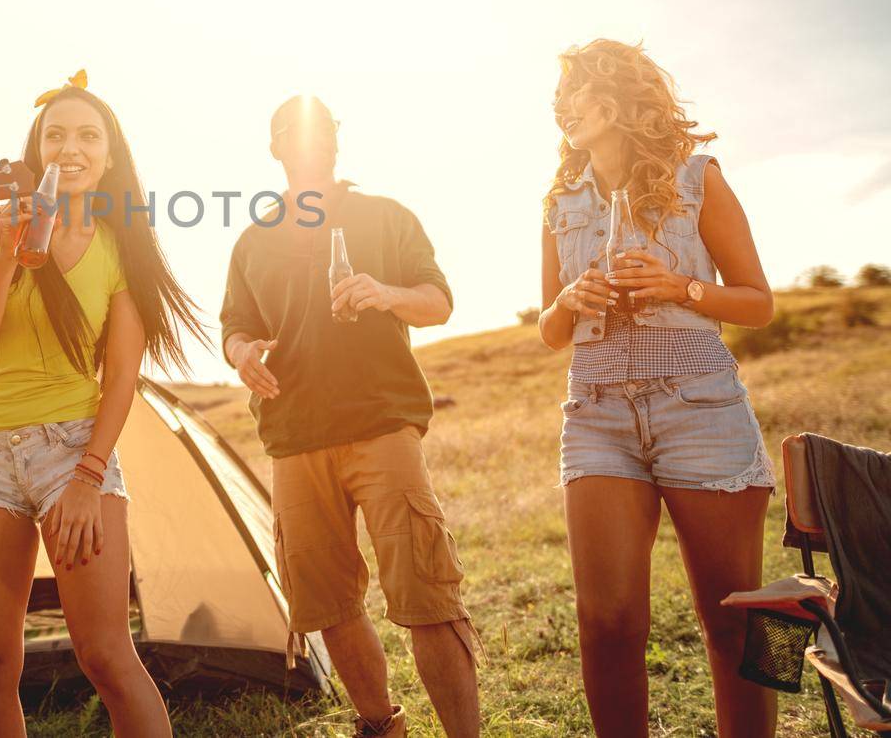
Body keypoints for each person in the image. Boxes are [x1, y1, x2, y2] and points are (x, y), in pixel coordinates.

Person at [0, 73, 207, 738]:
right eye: (55, 134)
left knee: (106, 654)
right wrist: (8, 251)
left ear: (110, 154)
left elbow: (121, 375)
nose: (71, 147)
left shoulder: (122, 247)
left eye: (89, 134)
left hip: (74, 446)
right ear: (36, 148)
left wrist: (88, 474)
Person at [221, 96, 480, 738]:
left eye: (322, 132)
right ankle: (379, 727)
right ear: (275, 147)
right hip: (293, 436)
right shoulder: (253, 239)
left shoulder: (386, 217)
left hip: (381, 426)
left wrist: (387, 293)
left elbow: (439, 301)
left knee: (426, 598)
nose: (310, 143)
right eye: (295, 133)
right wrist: (243, 354)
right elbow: (234, 326)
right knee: (328, 603)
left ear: (338, 141)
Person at [539, 39, 776, 737]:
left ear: (617, 95)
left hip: (700, 407)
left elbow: (759, 301)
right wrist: (571, 301)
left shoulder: (698, 179)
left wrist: (682, 287)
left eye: (575, 88)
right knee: (606, 621)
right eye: (558, 96)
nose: (563, 105)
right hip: (596, 414)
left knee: (737, 619)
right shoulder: (559, 203)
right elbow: (550, 328)